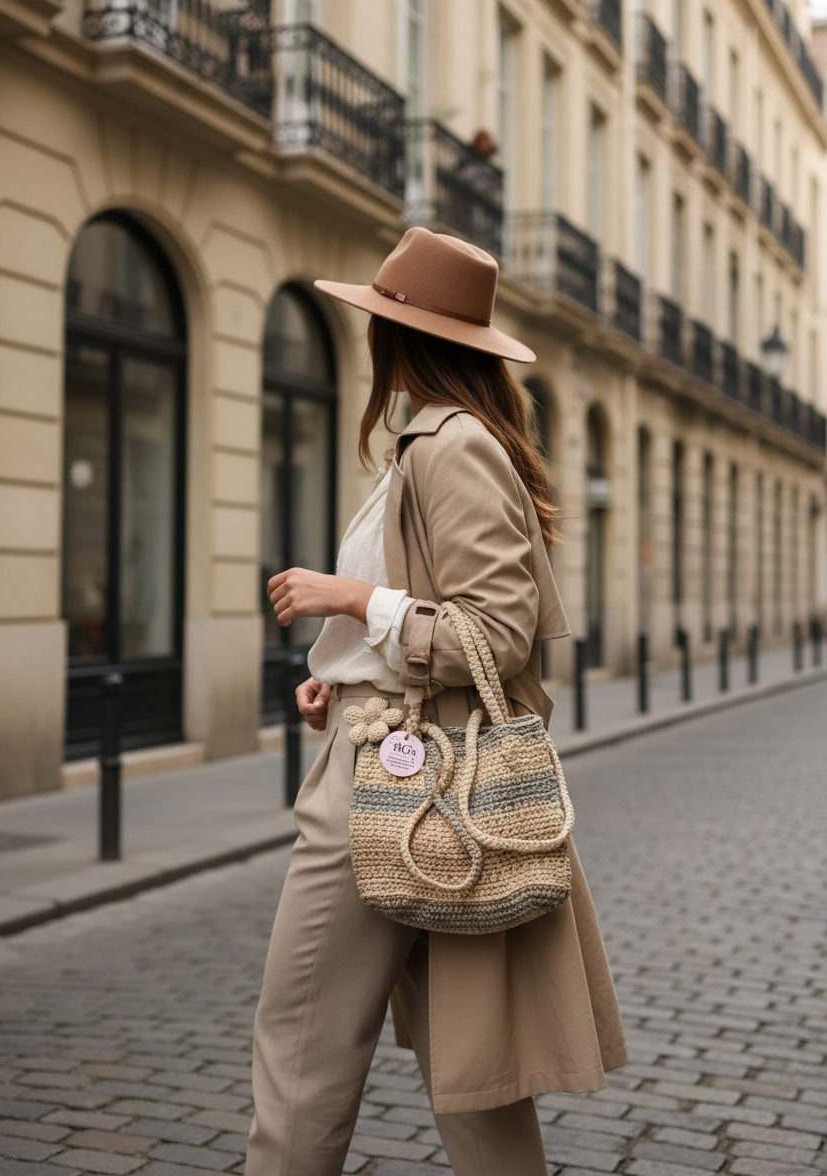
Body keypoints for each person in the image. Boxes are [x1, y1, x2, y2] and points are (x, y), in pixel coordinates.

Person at [245, 227, 628, 1176]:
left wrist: (349, 600)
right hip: (408, 756)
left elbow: (493, 636)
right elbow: (433, 618)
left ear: (396, 338)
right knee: (475, 1074)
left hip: (401, 784)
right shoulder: (439, 441)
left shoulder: (451, 447)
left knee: (301, 1046)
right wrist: (339, 665)